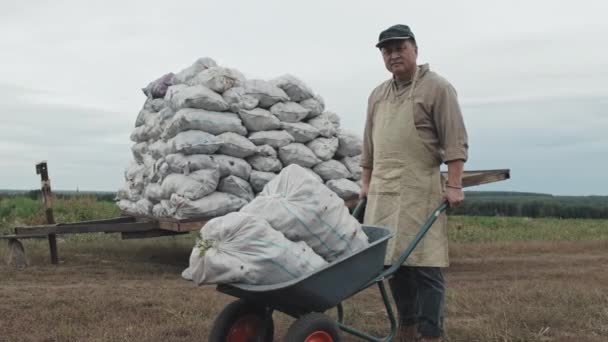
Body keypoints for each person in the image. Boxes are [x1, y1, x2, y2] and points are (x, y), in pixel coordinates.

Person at [360, 24, 469, 342]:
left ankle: (431, 333)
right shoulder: (378, 94)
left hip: (418, 189)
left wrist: (455, 184)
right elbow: (369, 145)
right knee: (392, 263)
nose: (393, 55)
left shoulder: (437, 88)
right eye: (386, 50)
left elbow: (454, 139)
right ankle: (406, 326)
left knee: (424, 265)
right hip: (383, 190)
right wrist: (365, 182)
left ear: (415, 49)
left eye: (399, 48)